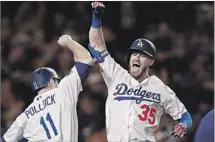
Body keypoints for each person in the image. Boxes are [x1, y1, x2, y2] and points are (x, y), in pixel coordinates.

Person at [86, 2, 192, 142]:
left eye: (142, 55)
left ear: (150, 62)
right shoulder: (117, 75)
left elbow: (185, 116)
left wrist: (182, 125)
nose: (137, 58)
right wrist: (96, 16)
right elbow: (95, 45)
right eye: (134, 54)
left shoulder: (160, 88)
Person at [1, 35, 95, 142]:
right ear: (51, 81)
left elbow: (4, 140)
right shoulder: (62, 91)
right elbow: (86, 59)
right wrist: (69, 41)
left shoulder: (26, 114)